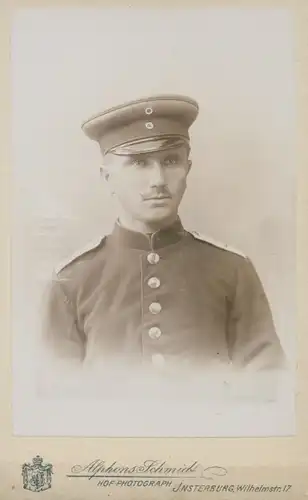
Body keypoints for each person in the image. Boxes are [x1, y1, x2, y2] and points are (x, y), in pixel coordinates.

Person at [41, 94, 286, 375]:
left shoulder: (232, 270)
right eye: (139, 163)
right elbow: (53, 400)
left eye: (170, 161)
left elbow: (269, 390)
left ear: (188, 169)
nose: (158, 180)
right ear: (107, 177)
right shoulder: (71, 281)